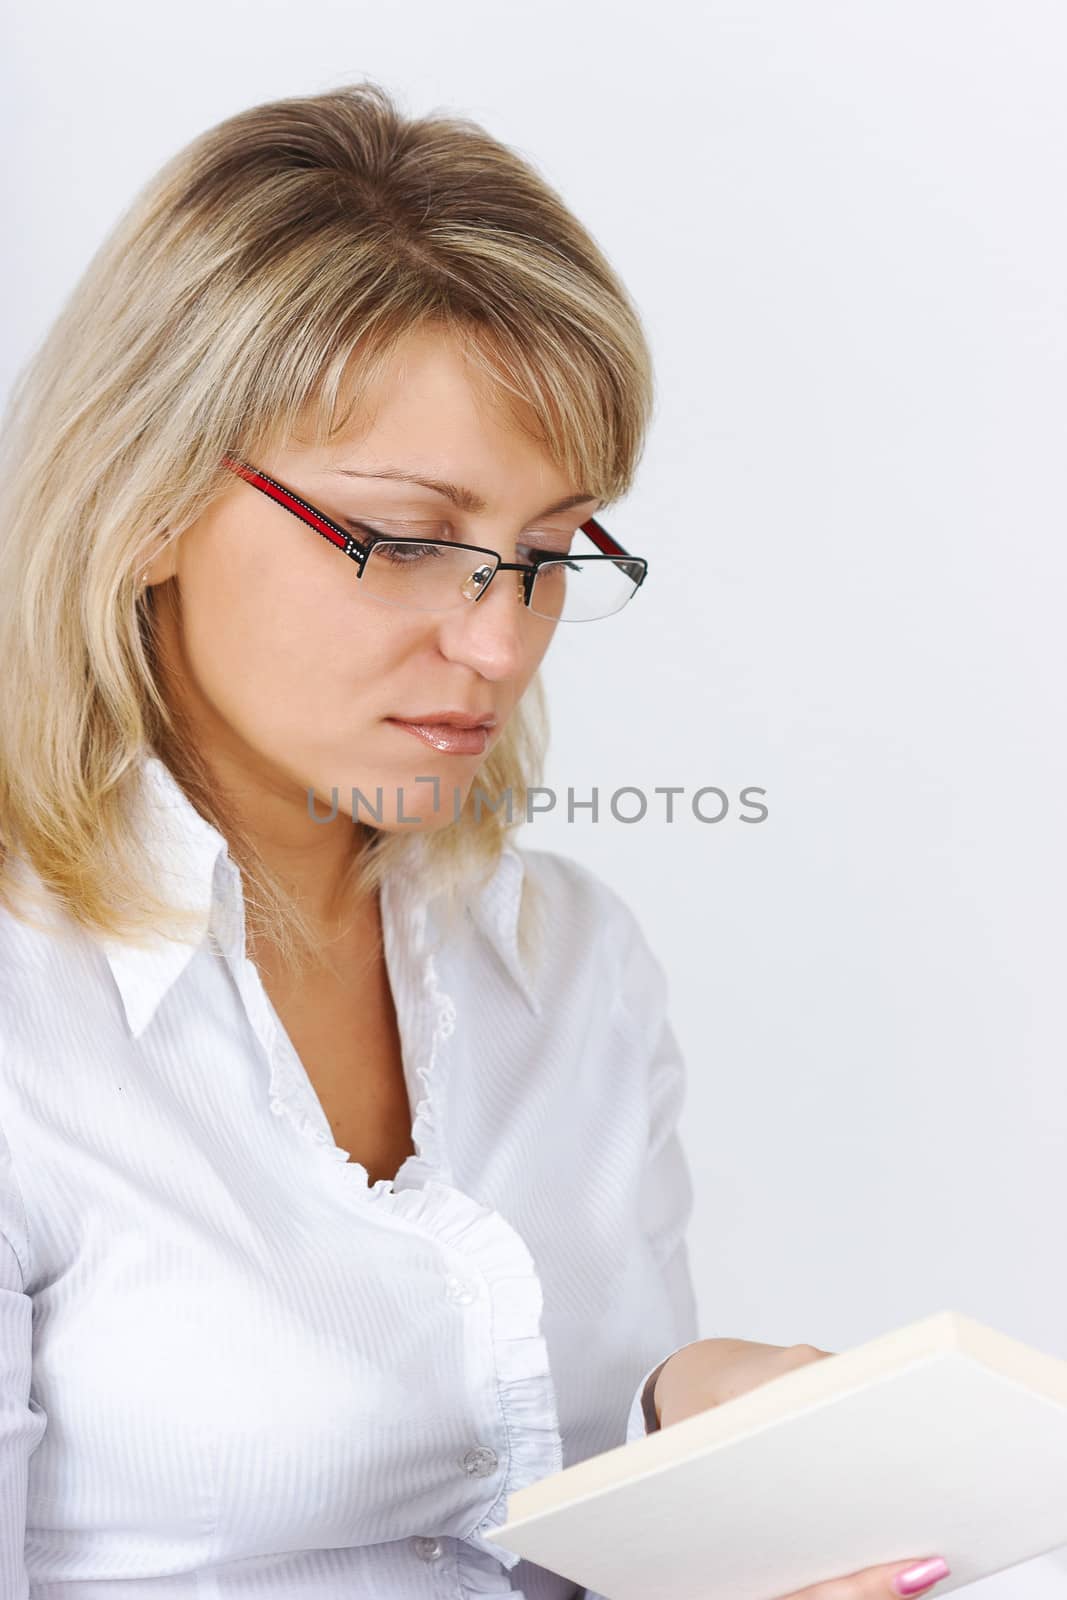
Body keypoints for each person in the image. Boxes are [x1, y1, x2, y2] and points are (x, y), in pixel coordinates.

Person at [0, 81, 950, 1600]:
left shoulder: (571, 960)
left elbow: (521, 1530)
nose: (501, 641)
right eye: (406, 541)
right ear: (151, 496)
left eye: (549, 553)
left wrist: (679, 1435)